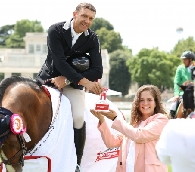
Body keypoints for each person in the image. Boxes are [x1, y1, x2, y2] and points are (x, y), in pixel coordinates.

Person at [36, 2, 103, 170]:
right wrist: (84, 81)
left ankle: (77, 163)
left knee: (79, 117)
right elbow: (59, 62)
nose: (87, 21)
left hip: (71, 84)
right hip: (48, 80)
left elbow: (97, 70)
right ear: (75, 14)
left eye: (91, 19)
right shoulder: (55, 30)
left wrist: (67, 80)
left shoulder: (92, 38)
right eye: (84, 16)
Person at [90, 85, 169, 172]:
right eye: (141, 100)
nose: (145, 103)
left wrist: (115, 119)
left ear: (155, 103)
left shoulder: (161, 120)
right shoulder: (134, 125)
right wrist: (102, 120)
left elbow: (139, 136)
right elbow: (111, 142)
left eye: (149, 100)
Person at [170, 51, 195, 118]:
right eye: (183, 59)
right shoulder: (180, 68)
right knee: (173, 106)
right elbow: (176, 82)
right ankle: (172, 119)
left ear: (190, 60)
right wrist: (176, 94)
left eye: (185, 59)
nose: (183, 61)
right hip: (182, 93)